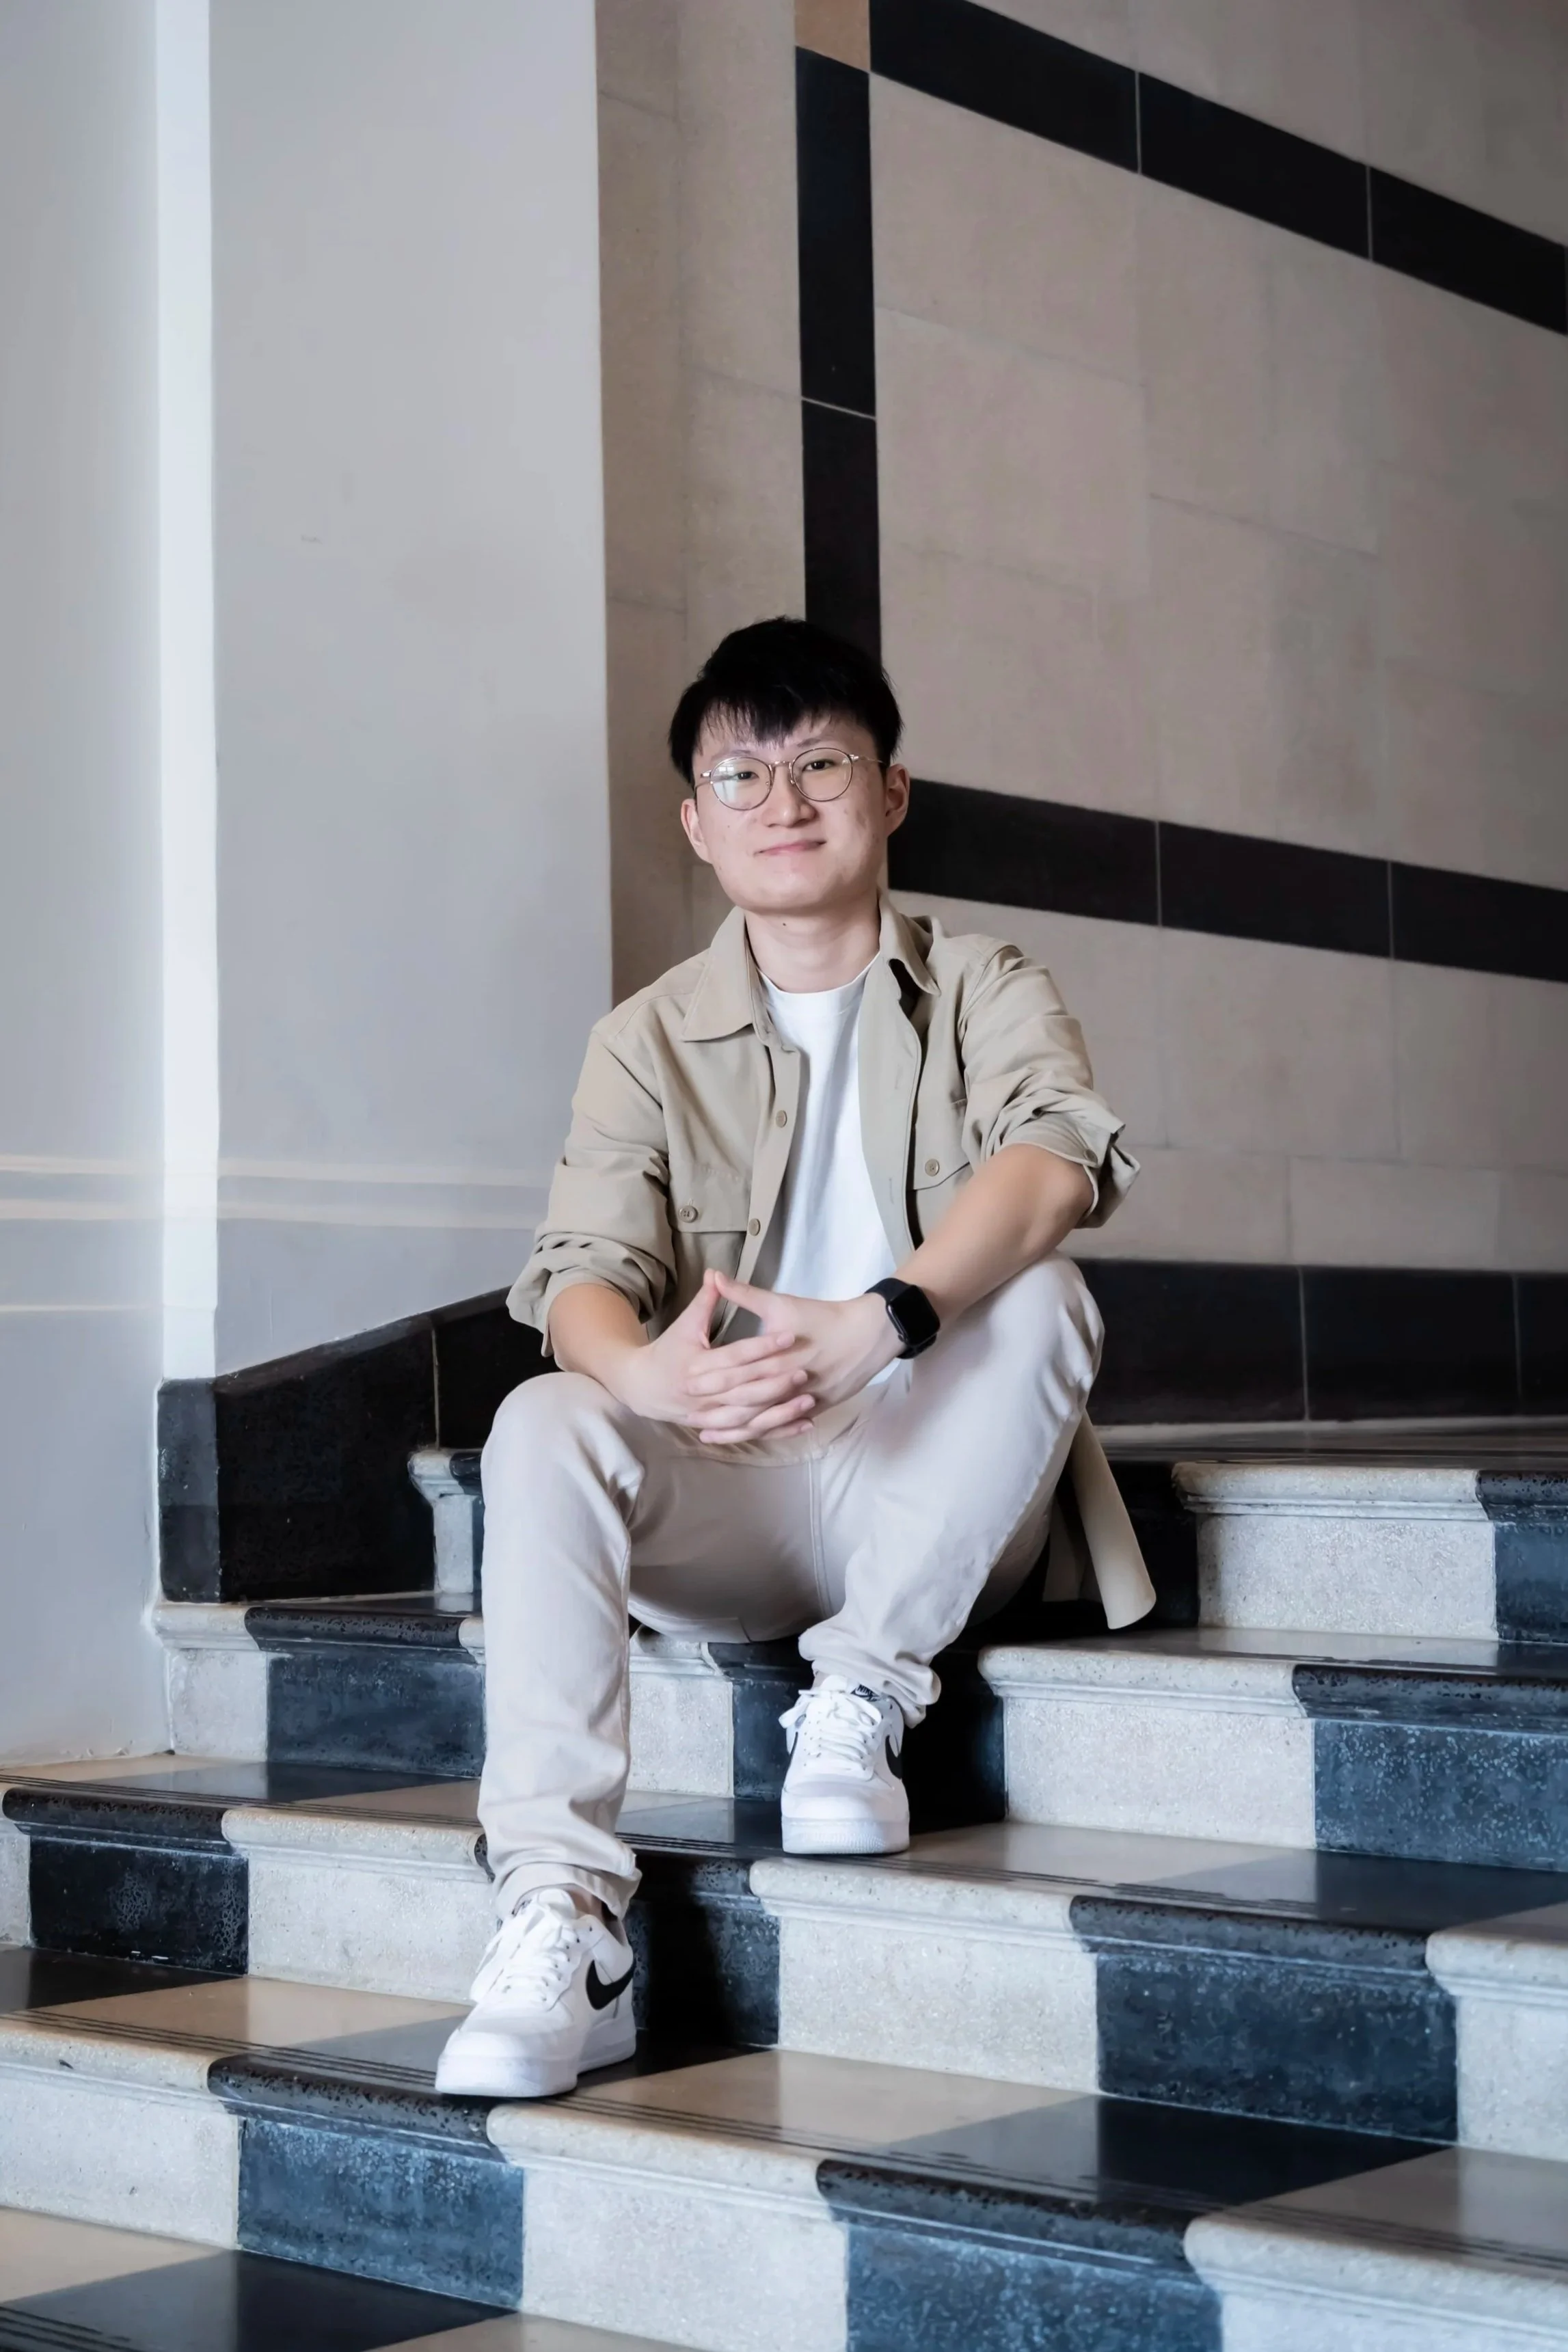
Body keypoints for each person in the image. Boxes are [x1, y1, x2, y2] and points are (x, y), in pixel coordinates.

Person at [435, 617, 1153, 2099]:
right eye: (741, 776)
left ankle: (863, 1697)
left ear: (890, 793)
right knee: (543, 1416)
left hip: (934, 1479)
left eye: (822, 764)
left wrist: (885, 1317)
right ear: (696, 822)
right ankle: (564, 1913)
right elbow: (578, 1275)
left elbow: (1059, 1157)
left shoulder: (981, 982)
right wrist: (648, 1378)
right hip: (733, 1491)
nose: (784, 801)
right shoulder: (642, 1039)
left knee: (1039, 1294)